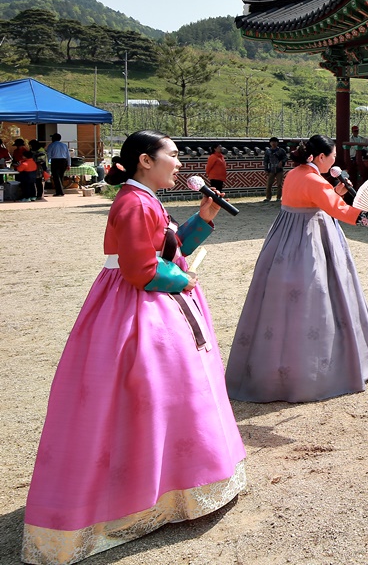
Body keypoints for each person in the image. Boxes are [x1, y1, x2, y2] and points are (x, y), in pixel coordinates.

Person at [22, 131, 245, 564]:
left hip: (148, 305)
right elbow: (141, 270)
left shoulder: (144, 198)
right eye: (173, 155)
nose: (180, 163)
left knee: (160, 396)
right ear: (146, 160)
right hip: (137, 308)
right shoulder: (134, 203)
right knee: (149, 392)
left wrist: (204, 218)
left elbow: (168, 250)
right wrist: (184, 280)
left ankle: (165, 486)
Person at [225, 134, 368, 404]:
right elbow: (340, 210)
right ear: (321, 157)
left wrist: (333, 193)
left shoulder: (294, 174)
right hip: (310, 238)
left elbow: (313, 200)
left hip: (283, 237)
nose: (334, 162)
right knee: (321, 292)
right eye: (333, 157)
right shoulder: (315, 181)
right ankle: (320, 369)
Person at [262, 136, 288, 201]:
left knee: (279, 184)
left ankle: (278, 197)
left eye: (275, 142)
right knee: (269, 184)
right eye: (272, 142)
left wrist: (282, 162)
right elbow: (265, 161)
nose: (273, 143)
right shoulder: (268, 151)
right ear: (270, 143)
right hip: (271, 169)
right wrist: (266, 169)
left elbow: (286, 157)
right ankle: (268, 197)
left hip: (279, 169)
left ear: (277, 143)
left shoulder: (281, 150)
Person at [47, 133, 70, 198]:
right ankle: (60, 191)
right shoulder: (64, 145)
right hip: (63, 161)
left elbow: (48, 155)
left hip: (55, 161)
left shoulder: (51, 145)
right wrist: (69, 164)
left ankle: (59, 191)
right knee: (61, 176)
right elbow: (68, 155)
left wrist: (47, 162)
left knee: (56, 177)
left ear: (53, 138)